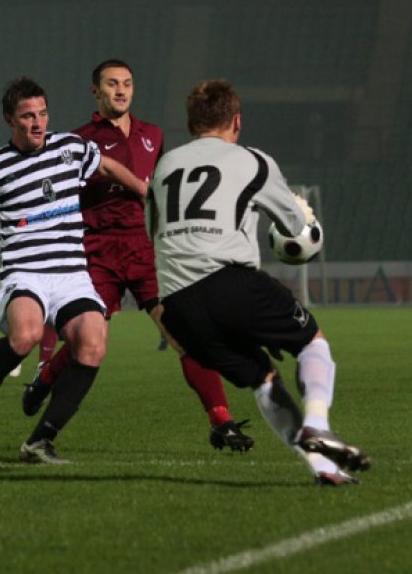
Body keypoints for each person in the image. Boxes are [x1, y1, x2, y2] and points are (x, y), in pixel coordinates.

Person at [146, 79, 371, 485]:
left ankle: (323, 468)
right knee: (312, 341)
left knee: (262, 377)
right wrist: (298, 216)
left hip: (177, 305)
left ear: (191, 123)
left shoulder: (163, 167)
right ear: (236, 121)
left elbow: (156, 232)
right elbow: (296, 226)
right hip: (228, 281)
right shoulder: (253, 160)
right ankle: (318, 424)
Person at [24, 59, 254, 452]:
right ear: (95, 91)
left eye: (127, 83)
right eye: (112, 84)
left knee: (187, 335)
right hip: (96, 251)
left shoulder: (153, 134)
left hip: (143, 250)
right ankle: (45, 382)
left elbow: (158, 196)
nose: (121, 90)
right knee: (89, 342)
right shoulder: (78, 141)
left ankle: (222, 422)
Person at [0, 76, 146, 464]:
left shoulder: (70, 148)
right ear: (9, 120)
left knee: (94, 342)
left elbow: (108, 165)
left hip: (72, 275)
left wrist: (146, 192)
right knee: (26, 336)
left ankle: (40, 441)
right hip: (25, 274)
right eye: (28, 116)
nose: (38, 123)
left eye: (43, 114)